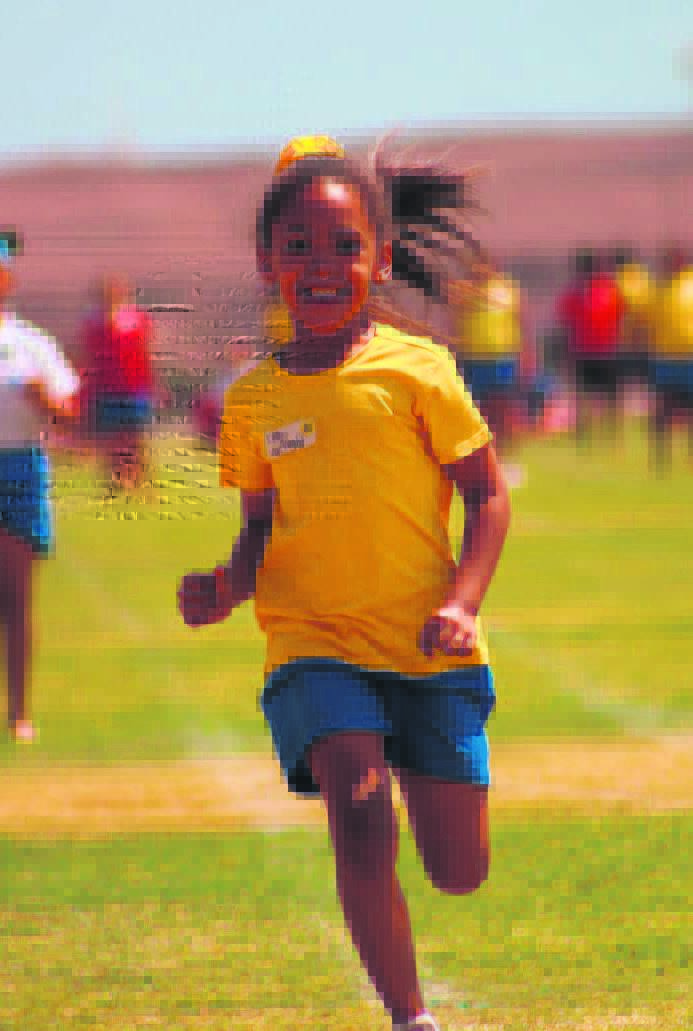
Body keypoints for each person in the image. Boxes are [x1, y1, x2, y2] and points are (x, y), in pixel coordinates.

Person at [178, 139, 511, 1031]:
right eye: (298, 246)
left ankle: (396, 742)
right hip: (313, 646)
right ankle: (410, 1017)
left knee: (458, 869)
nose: (320, 266)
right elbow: (257, 525)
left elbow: (487, 495)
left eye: (342, 245)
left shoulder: (419, 370)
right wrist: (226, 584)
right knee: (360, 818)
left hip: (427, 646)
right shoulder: (252, 401)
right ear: (267, 262)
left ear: (380, 256)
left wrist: (461, 602)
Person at [0, 231, 80, 742]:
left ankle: (18, 713)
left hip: (20, 468)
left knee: (16, 598)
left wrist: (42, 397)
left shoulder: (32, 343)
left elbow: (69, 412)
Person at [453, 254, 532, 485]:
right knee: (476, 414)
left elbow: (521, 322)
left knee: (504, 412)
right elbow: (454, 325)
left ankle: (507, 461)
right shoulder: (464, 292)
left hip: (502, 358)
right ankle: (482, 462)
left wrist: (526, 354)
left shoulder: (507, 290)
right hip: (474, 358)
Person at [80, 274, 155, 493]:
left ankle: (138, 483)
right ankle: (117, 482)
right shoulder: (93, 323)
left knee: (134, 439)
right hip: (105, 391)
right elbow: (88, 356)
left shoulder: (136, 320)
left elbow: (144, 355)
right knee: (111, 440)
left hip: (134, 390)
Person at [557, 248, 626, 446]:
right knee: (582, 398)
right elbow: (566, 323)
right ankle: (583, 435)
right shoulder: (575, 292)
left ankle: (613, 436)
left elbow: (621, 316)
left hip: (607, 351)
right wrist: (567, 351)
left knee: (612, 397)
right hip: (583, 352)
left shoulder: (609, 288)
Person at [646, 246, 693, 473]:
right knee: (663, 408)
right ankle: (661, 458)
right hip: (666, 358)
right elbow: (650, 320)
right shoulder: (661, 289)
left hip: (689, 357)